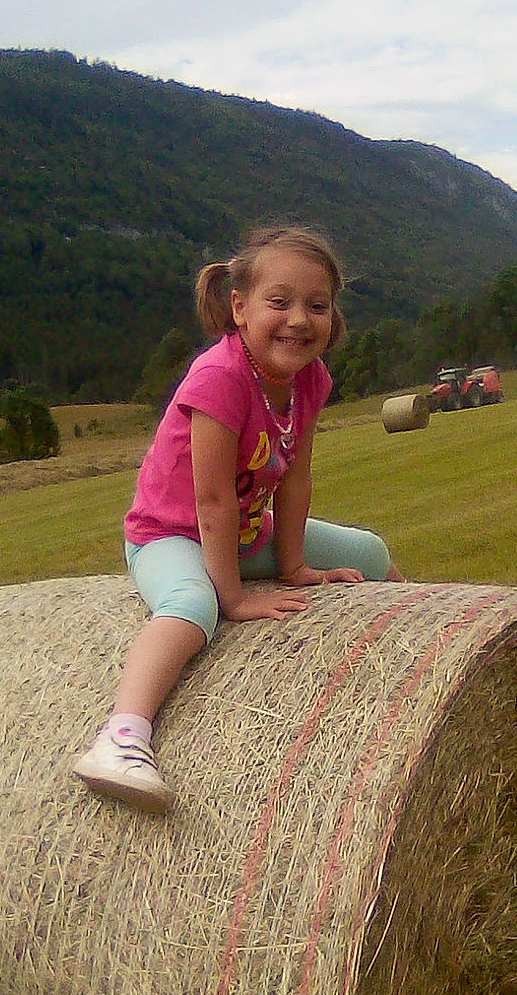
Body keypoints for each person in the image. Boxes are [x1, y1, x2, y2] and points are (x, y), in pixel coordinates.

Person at [72, 224, 399, 813]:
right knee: (192, 606)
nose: (299, 320)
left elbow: (294, 477)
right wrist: (235, 598)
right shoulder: (219, 377)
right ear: (240, 308)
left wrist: (294, 567)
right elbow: (213, 500)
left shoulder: (310, 380)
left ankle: (425, 667)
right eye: (280, 302)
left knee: (369, 551)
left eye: (317, 306)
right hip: (169, 535)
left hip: (245, 531)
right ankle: (121, 736)